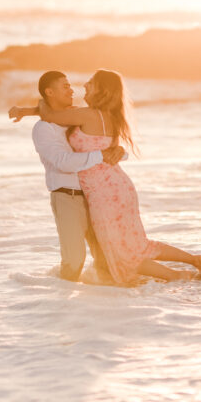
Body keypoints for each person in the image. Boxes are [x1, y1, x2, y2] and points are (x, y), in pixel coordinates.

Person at [10, 69, 201, 284]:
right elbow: (70, 133)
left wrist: (27, 109)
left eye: (89, 83)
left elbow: (51, 115)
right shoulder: (102, 116)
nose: (81, 86)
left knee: (123, 252)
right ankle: (194, 261)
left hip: (103, 192)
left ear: (101, 89)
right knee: (137, 245)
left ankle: (178, 275)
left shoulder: (86, 115)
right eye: (66, 86)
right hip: (115, 185)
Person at [14, 71, 126, 282]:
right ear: (50, 92)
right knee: (74, 261)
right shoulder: (43, 128)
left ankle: (108, 305)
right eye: (65, 86)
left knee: (106, 259)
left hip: (95, 195)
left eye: (70, 85)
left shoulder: (77, 117)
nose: (71, 90)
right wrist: (101, 154)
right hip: (67, 196)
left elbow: (100, 142)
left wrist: (119, 151)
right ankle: (59, 303)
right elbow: (63, 162)